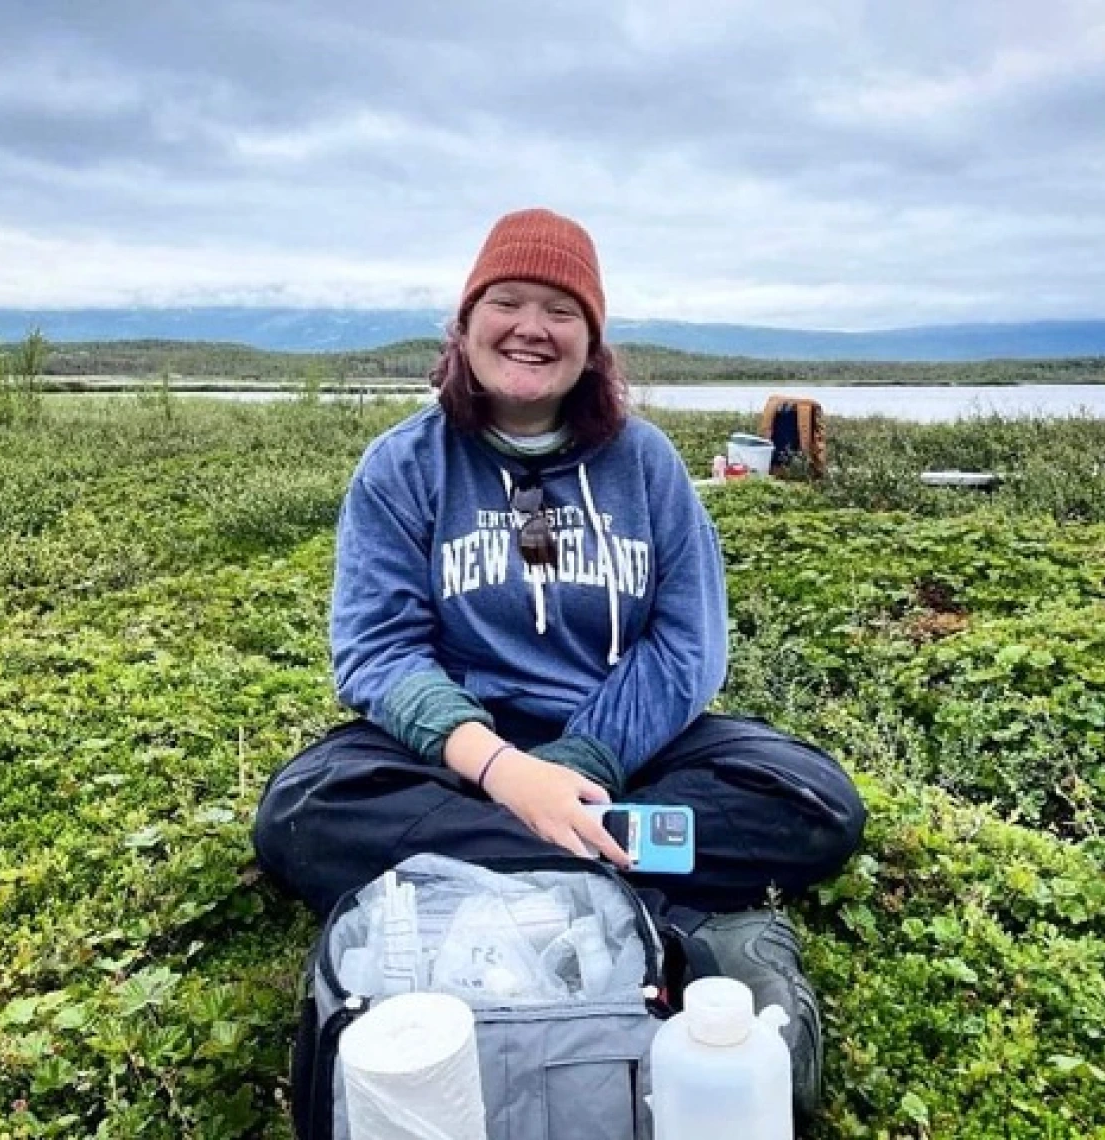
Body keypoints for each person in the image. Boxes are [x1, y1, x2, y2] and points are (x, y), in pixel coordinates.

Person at [254, 207, 866, 1118]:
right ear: (465, 326)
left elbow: (688, 644)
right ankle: (682, 919)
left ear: (592, 342)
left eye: (561, 309)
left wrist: (577, 766)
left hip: (627, 760)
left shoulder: (647, 464)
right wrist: (504, 770)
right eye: (506, 301)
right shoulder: (402, 466)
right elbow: (378, 648)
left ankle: (519, 877)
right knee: (302, 814)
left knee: (814, 803)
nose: (531, 327)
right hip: (460, 763)